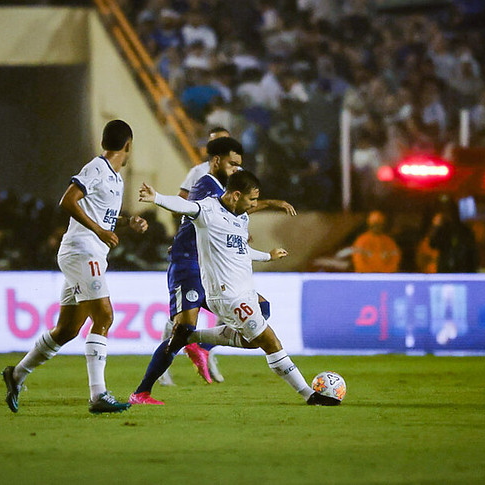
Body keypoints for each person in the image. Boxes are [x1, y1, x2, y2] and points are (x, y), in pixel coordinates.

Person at [137, 170, 340, 406]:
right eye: (251, 200)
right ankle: (309, 394)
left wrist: (267, 256)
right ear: (235, 195)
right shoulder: (208, 211)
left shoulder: (240, 217)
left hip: (245, 291)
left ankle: (194, 338)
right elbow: (184, 206)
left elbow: (239, 251)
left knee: (259, 324)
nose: (253, 205)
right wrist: (157, 197)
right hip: (227, 296)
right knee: (271, 342)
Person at [130, 138, 295, 405]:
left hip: (213, 268)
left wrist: (245, 239)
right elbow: (193, 209)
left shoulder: (226, 189)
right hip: (190, 263)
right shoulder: (206, 186)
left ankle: (202, 344)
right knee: (182, 330)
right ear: (216, 161)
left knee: (262, 308)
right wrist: (157, 198)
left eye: (239, 165)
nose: (237, 170)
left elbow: (236, 209)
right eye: (233, 164)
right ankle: (142, 391)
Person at [2, 119, 148, 415]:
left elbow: (100, 214)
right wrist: (98, 230)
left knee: (67, 328)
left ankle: (15, 374)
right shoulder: (97, 168)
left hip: (89, 252)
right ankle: (98, 395)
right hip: (83, 251)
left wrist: (126, 222)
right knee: (104, 316)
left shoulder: (116, 179)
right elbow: (68, 201)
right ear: (128, 145)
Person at [161, 125, 231, 386]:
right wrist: (181, 235)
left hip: (221, 255)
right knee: (183, 316)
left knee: (227, 309)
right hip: (195, 253)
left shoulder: (236, 172)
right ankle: (165, 365)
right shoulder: (198, 174)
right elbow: (182, 205)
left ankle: (206, 350)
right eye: (216, 143)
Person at [429, 198, 479, 273]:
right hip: (445, 271)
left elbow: (472, 252)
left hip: (463, 271)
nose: (447, 213)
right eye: (444, 210)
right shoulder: (443, 230)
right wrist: (436, 227)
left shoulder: (465, 231)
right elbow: (433, 244)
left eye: (449, 210)